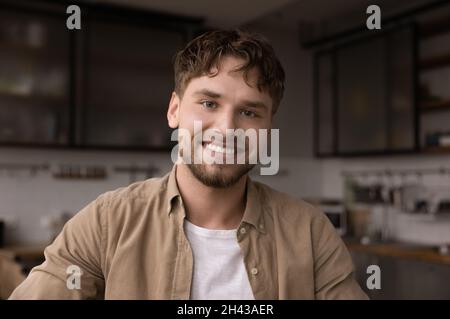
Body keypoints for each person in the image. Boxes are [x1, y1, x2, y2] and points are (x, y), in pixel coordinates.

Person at [9, 29, 367, 300]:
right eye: (209, 104)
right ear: (174, 110)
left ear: (268, 126)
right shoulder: (107, 222)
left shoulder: (310, 232)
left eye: (249, 112)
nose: (227, 129)